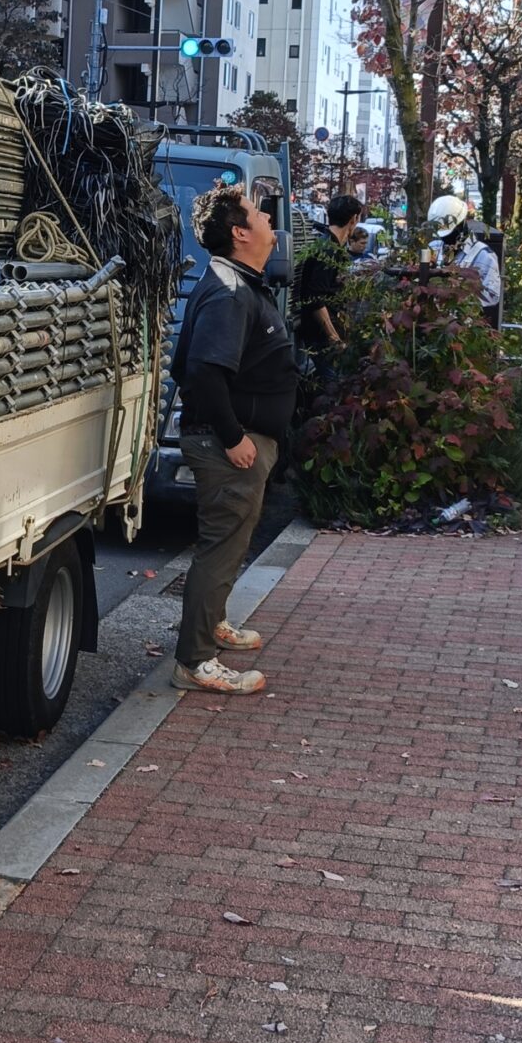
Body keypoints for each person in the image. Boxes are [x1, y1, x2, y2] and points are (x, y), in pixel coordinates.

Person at [172, 185, 298, 696]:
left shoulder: (239, 282)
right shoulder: (229, 292)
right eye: (257, 214)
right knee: (220, 549)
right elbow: (201, 371)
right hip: (229, 445)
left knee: (231, 544)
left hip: (240, 440)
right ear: (240, 233)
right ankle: (195, 661)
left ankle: (213, 623)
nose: (268, 219)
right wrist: (232, 437)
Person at [296, 191, 365, 357]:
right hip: (322, 338)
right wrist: (334, 338)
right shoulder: (328, 250)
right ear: (353, 219)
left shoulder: (330, 245)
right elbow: (316, 298)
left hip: (324, 333)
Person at [426, 194, 501, 325]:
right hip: (432, 323)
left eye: (449, 234)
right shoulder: (433, 248)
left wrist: (460, 295)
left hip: (464, 327)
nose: (445, 239)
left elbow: (493, 295)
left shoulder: (483, 255)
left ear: (462, 224)